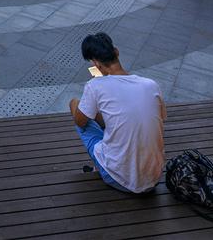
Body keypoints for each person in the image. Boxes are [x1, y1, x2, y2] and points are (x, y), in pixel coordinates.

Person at [69, 32, 166, 194]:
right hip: (153, 178)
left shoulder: (95, 86)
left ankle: (104, 166)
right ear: (117, 52)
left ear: (96, 64)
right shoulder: (151, 85)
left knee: (75, 104)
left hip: (119, 180)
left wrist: (79, 103)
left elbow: (80, 122)